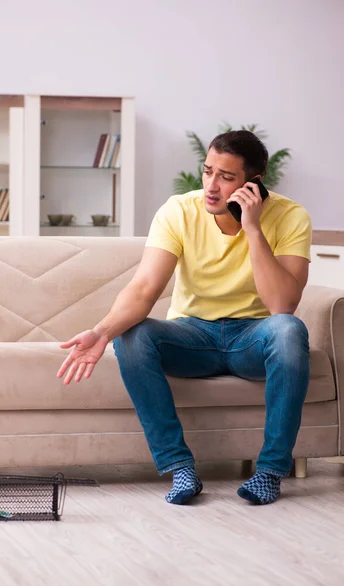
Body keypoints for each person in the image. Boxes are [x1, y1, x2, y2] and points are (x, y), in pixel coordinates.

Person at [57, 130, 311, 506]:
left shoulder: (290, 216)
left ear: (253, 183)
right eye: (208, 171)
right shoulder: (179, 210)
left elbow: (281, 306)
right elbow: (144, 288)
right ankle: (180, 468)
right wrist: (101, 332)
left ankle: (270, 472)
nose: (211, 185)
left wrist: (252, 228)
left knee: (290, 330)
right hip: (192, 335)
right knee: (132, 335)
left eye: (226, 177)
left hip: (253, 338)